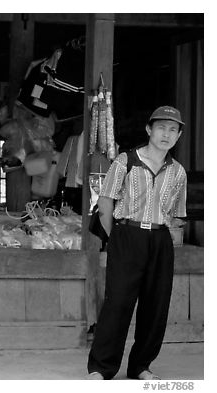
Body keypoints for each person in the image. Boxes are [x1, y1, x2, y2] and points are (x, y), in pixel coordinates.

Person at [87, 106, 188, 380]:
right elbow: (105, 203)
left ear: (178, 136)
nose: (166, 134)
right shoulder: (125, 161)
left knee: (156, 305)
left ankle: (141, 366)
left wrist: (164, 241)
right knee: (117, 302)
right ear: (148, 129)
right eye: (161, 127)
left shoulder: (178, 172)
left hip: (159, 239)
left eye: (172, 130)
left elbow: (176, 216)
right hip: (127, 235)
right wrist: (116, 237)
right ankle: (101, 367)